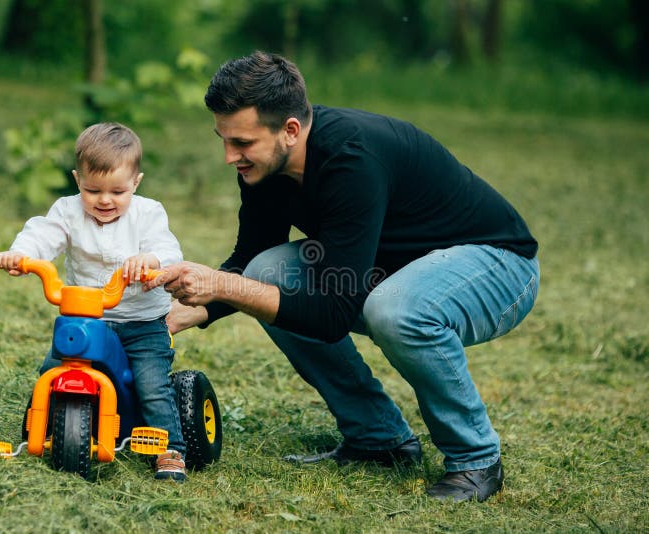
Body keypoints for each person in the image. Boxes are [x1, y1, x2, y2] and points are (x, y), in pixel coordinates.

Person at [144, 51, 540, 501]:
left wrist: (224, 286)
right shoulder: (264, 167)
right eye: (223, 139)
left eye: (242, 142)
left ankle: (476, 460)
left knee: (395, 309)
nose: (229, 155)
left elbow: (333, 313)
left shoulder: (352, 158)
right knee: (267, 270)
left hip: (497, 265)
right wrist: (178, 315)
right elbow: (250, 256)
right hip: (391, 268)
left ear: (290, 130)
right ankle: (378, 438)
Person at [0, 122, 187, 482]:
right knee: (50, 370)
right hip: (87, 320)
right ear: (76, 179)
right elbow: (43, 234)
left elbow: (167, 248)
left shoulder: (148, 214)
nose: (104, 200)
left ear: (136, 182)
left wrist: (150, 260)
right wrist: (21, 254)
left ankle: (171, 450)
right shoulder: (67, 212)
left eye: (117, 191)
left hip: (141, 323)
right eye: (92, 189)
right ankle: (41, 429)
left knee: (151, 385)